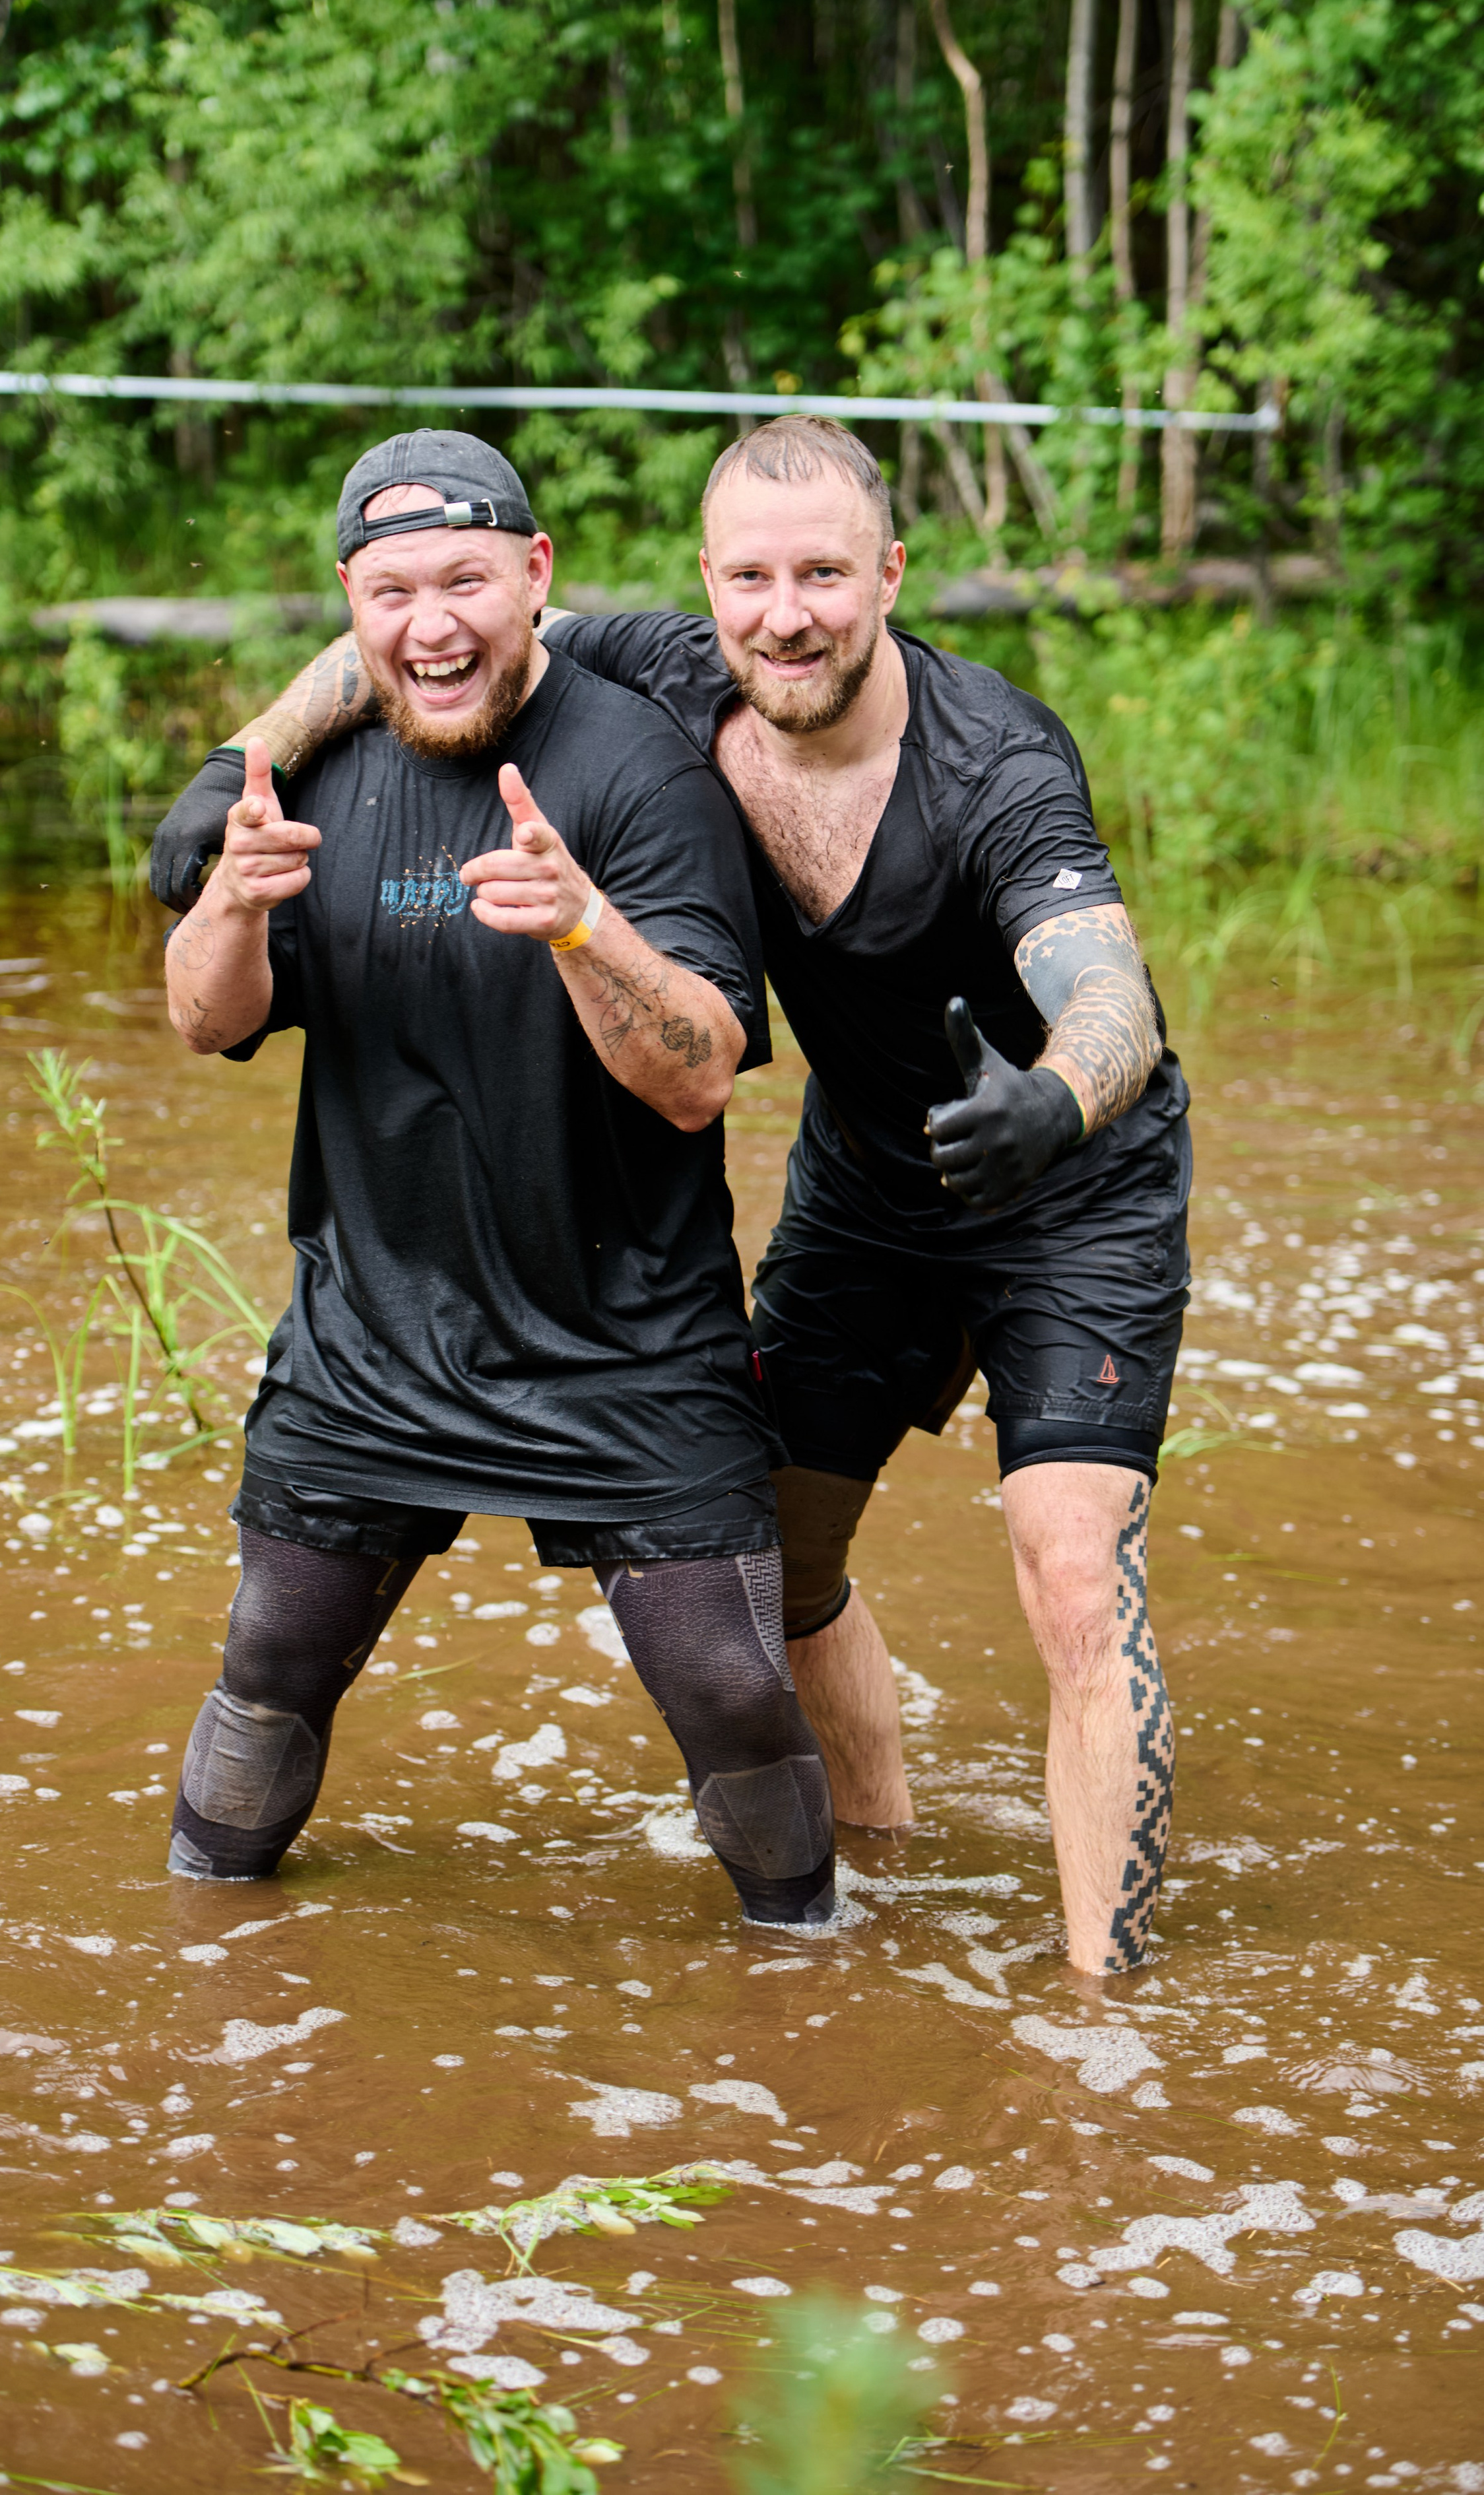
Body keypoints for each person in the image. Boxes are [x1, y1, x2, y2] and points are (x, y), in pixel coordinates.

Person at [153, 416, 1190, 1981]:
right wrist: (233, 769)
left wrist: (1052, 1097)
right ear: (706, 586)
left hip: (1067, 1173)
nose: (786, 614)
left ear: (888, 577)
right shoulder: (679, 663)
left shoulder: (995, 764)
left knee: (1062, 1560)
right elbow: (418, 634)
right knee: (792, 1560)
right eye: (753, 578)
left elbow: (1104, 985)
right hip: (867, 1169)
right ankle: (877, 1887)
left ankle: (1103, 2012)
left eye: (825, 575)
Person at [158, 427, 839, 1931]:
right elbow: (208, 1019)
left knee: (732, 1693)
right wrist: (227, 899)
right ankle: (199, 1961)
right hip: (373, 1338)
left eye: (465, 579)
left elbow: (700, 1071)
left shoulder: (642, 771)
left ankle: (814, 1980)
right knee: (268, 1677)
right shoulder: (311, 774)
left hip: (622, 1340)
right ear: (350, 603)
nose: (432, 624)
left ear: (535, 575)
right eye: (392, 591)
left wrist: (585, 932)